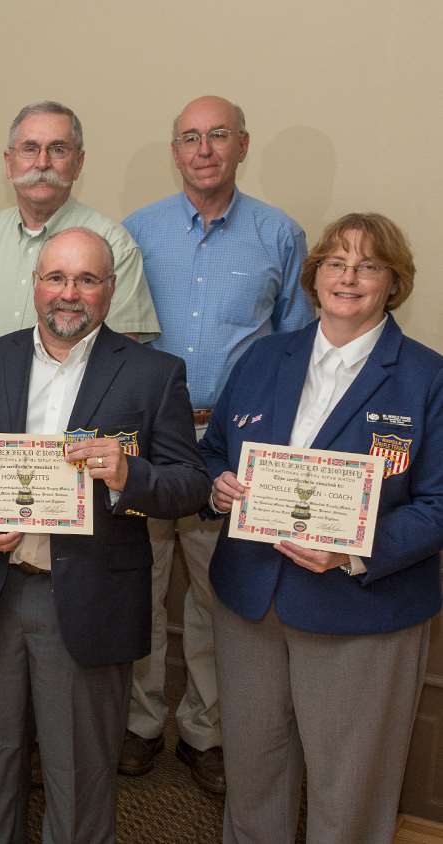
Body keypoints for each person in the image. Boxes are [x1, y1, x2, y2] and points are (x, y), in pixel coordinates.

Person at [0, 100, 162, 764]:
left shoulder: (110, 238)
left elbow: (130, 351)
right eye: (29, 148)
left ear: (78, 161)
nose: (42, 162)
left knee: (77, 675)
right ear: (9, 162)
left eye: (58, 149)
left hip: (83, 497)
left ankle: (83, 736)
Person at [0, 228, 209, 842]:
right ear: (36, 284)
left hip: (88, 595)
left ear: (111, 290)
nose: (70, 294)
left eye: (87, 280)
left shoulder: (153, 373)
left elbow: (191, 484)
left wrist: (128, 475)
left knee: (78, 772)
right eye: (57, 278)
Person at [202, 213, 443, 844]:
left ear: (394, 282)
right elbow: (212, 452)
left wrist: (352, 551)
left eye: (368, 265)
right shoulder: (264, 357)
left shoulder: (427, 378)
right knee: (253, 779)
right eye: (336, 262)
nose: (349, 277)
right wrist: (218, 485)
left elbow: (439, 504)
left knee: (349, 792)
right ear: (315, 277)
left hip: (361, 614)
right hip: (251, 603)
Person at [118, 95, 313, 793]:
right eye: (190, 138)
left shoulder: (280, 235)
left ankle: (206, 731)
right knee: (137, 585)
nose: (204, 150)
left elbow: (297, 351)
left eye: (218, 136)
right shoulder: (135, 232)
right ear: (175, 151)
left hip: (232, 450)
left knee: (214, 596)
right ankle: (140, 723)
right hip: (145, 445)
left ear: (242, 145)